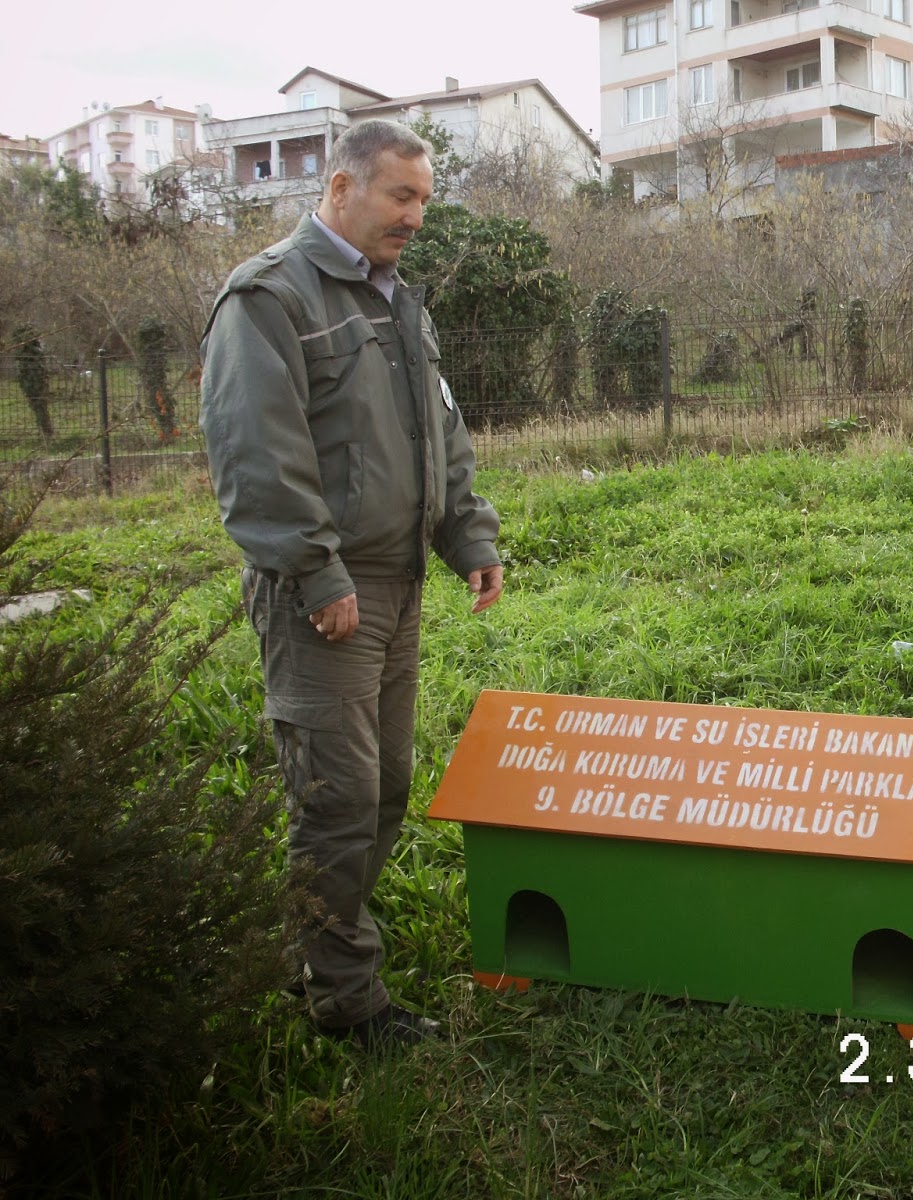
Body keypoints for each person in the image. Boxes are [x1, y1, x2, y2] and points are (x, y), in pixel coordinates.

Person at [200, 119, 503, 1049]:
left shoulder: (397, 301)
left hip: (399, 581)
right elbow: (258, 454)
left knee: (384, 789)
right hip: (321, 594)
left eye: (424, 200)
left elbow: (436, 431)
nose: (415, 217)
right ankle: (342, 1002)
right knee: (336, 800)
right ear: (340, 188)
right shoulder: (269, 300)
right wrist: (316, 569)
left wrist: (467, 530)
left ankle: (324, 954)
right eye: (399, 197)